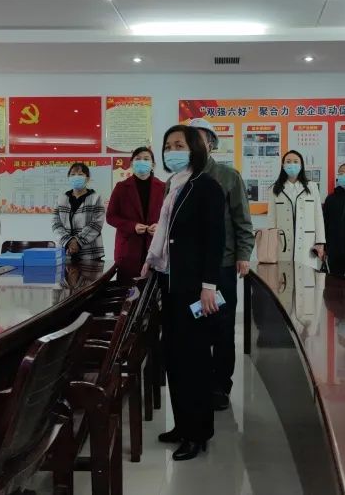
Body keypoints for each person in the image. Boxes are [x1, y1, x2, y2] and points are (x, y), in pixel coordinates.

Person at [141, 125, 225, 461]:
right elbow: (164, 234)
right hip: (170, 283)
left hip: (194, 287)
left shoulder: (206, 186)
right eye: (168, 146)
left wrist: (209, 286)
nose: (172, 151)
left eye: (179, 145)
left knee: (194, 360)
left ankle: (198, 433)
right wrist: (151, 261)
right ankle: (182, 425)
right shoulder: (174, 185)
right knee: (174, 356)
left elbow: (215, 240)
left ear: (194, 149)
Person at [187, 118, 255, 411]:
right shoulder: (180, 178)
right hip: (189, 267)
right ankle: (198, 382)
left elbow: (243, 220)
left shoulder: (228, 177)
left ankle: (220, 386)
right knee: (194, 327)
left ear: (212, 144)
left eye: (199, 139)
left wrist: (243, 254)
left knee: (223, 328)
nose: (193, 144)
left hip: (223, 265)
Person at [106, 147, 166, 282]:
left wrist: (160, 227)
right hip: (128, 249)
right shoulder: (121, 187)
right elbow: (111, 216)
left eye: (146, 159)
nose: (142, 162)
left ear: (153, 165)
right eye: (138, 159)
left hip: (155, 248)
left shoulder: (163, 187)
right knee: (127, 290)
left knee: (153, 290)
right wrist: (132, 226)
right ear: (132, 164)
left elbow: (170, 216)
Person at [266, 150, 326, 265]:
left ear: (301, 165)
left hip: (307, 242)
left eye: (295, 162)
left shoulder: (312, 187)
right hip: (282, 242)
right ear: (283, 165)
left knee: (306, 273)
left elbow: (318, 216)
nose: (292, 165)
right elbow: (271, 218)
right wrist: (271, 242)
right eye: (288, 162)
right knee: (284, 273)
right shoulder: (275, 189)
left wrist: (320, 242)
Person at [52, 163, 105, 262]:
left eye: (80, 174)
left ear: (87, 178)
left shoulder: (96, 197)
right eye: (72, 174)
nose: (76, 177)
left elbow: (96, 224)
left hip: (90, 251)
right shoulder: (61, 198)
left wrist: (77, 241)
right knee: (64, 272)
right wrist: (68, 241)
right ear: (68, 177)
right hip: (65, 250)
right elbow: (55, 224)